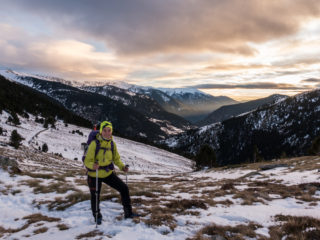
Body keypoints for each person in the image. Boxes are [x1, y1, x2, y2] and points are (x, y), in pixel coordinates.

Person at [84, 121, 139, 224]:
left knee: (124, 188)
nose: (107, 133)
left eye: (109, 130)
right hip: (94, 175)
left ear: (111, 131)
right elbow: (87, 160)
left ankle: (128, 212)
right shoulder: (94, 144)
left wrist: (122, 167)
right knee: (95, 195)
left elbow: (116, 159)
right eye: (104, 130)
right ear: (101, 131)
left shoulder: (112, 144)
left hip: (107, 173)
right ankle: (97, 216)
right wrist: (93, 165)